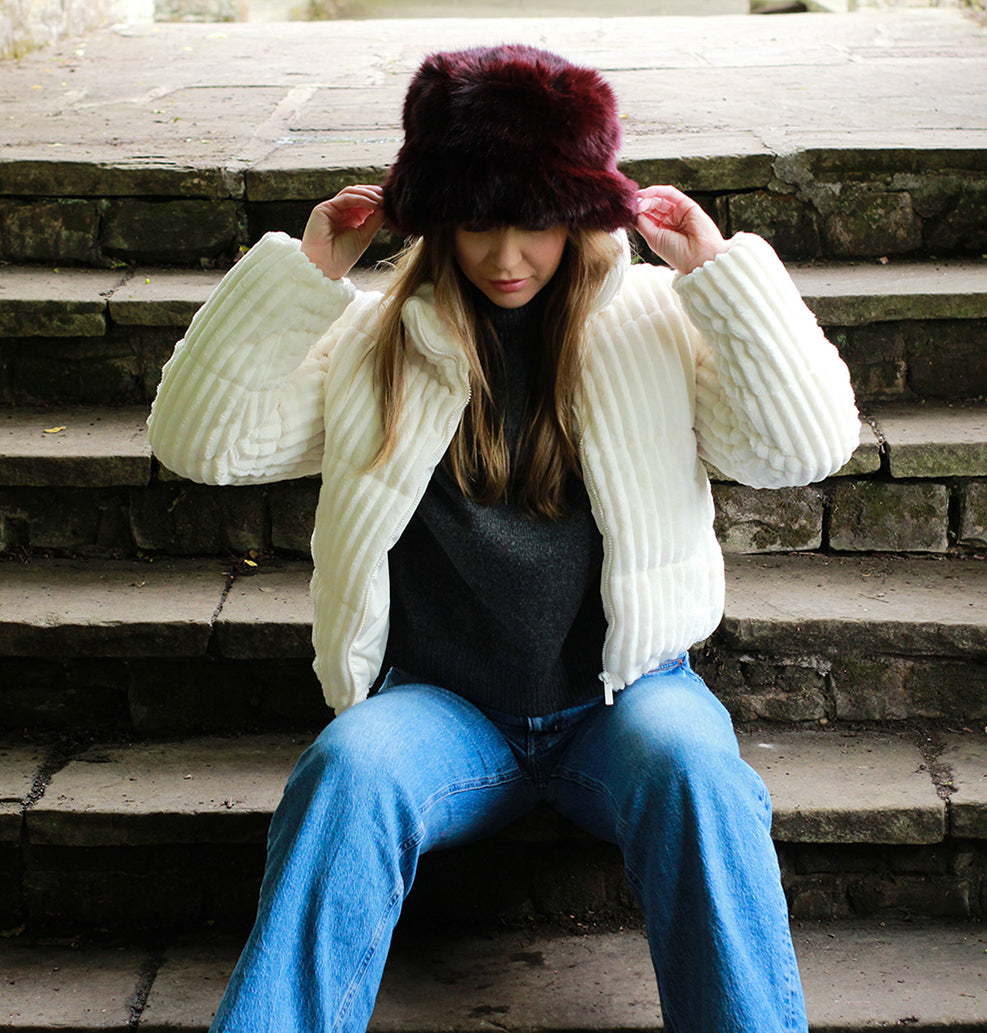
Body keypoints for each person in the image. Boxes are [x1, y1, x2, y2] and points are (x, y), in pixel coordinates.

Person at [147, 43, 860, 1033]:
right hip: (444, 715)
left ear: (575, 217)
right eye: (478, 222)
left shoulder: (654, 323)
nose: (506, 255)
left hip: (629, 700)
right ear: (439, 221)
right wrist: (303, 272)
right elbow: (200, 445)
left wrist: (717, 272)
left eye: (535, 222)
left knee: (701, 778)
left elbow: (804, 448)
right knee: (345, 771)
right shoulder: (372, 340)